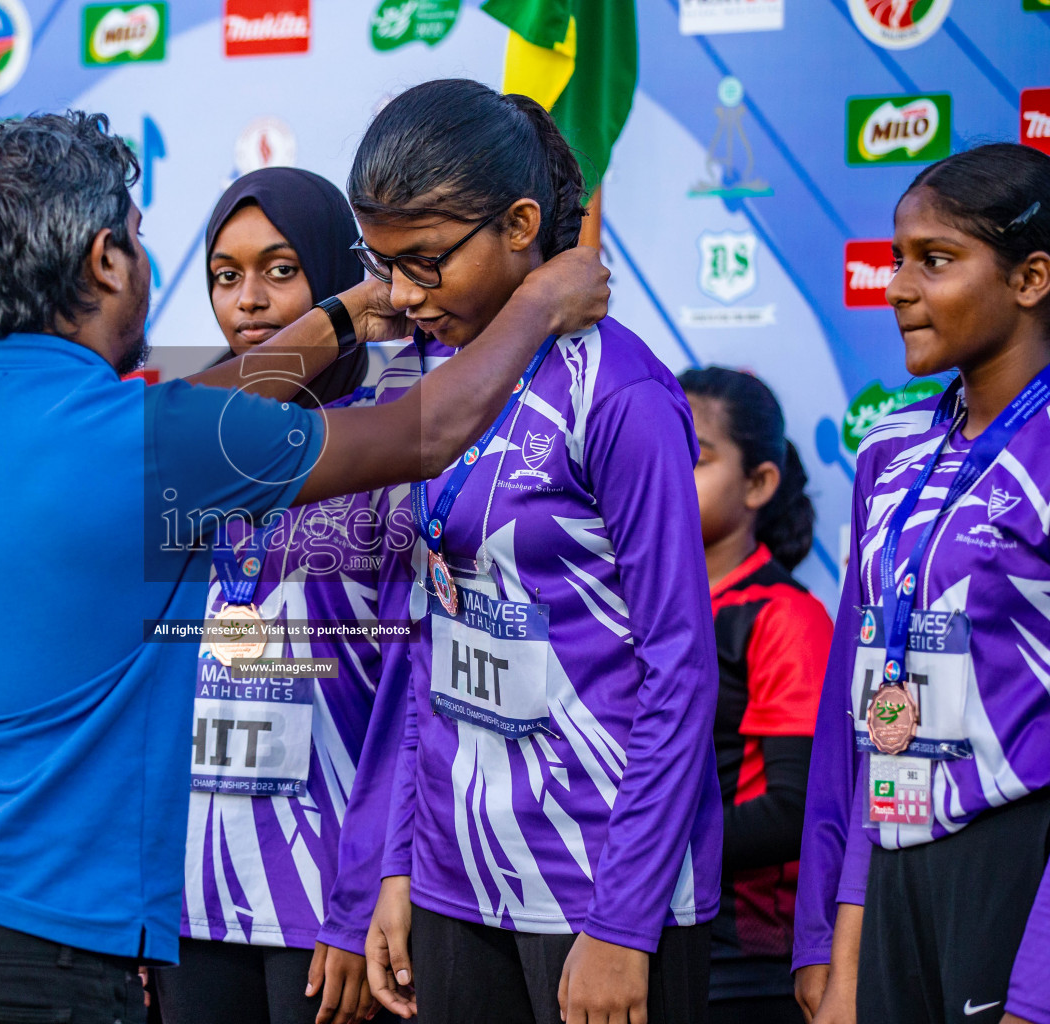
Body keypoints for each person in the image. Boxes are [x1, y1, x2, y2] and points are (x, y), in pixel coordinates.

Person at [0, 111, 610, 1024]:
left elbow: (209, 404)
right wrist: (538, 305)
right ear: (103, 262)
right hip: (11, 955)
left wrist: (344, 312)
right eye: (137, 238)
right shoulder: (153, 442)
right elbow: (430, 430)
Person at [355, 79, 722, 1024]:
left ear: (522, 225)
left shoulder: (622, 391)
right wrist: (400, 863)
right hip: (456, 878)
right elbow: (430, 649)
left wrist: (625, 920)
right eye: (382, 263)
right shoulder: (432, 384)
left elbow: (680, 671)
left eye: (425, 262)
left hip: (598, 882)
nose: (401, 295)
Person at [793, 142, 1050, 1024]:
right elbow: (860, 716)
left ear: (1030, 279)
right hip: (893, 852)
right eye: (897, 258)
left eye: (934, 261)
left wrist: (1040, 982)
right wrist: (837, 942)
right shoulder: (892, 449)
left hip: (1015, 856)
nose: (898, 286)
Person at [155, 168, 381, 1024]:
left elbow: (414, 702)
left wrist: (366, 897)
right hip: (190, 895)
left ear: (335, 273)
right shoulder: (182, 433)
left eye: (281, 269)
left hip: (329, 896)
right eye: (225, 274)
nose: (249, 299)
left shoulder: (389, 433)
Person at [678, 368, 833, 1024]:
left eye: (697, 456)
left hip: (742, 955)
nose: (667, 473)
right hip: (632, 919)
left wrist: (640, 846)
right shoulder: (620, 607)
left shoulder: (783, 617)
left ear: (760, 483)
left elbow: (795, 809)